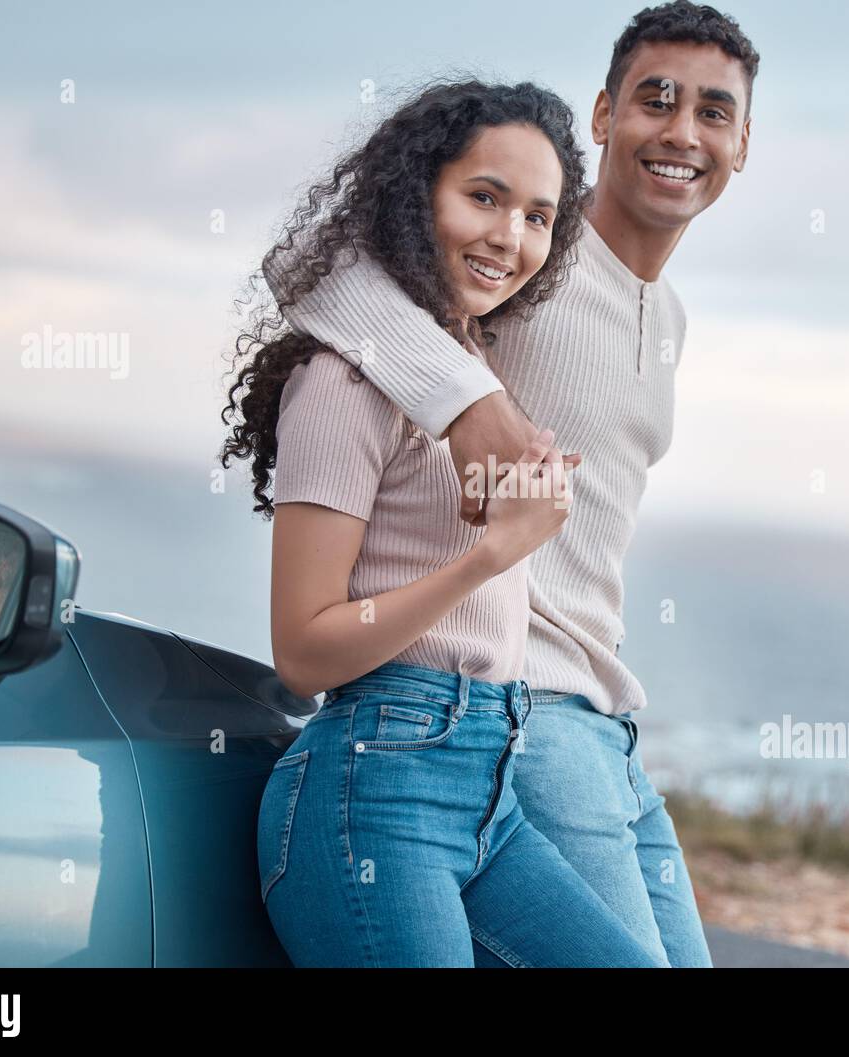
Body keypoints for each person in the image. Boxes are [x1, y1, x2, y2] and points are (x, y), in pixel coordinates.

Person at [262, 1, 760, 968]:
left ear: (744, 144)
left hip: (600, 716)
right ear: (606, 115)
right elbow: (311, 274)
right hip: (511, 711)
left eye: (713, 111)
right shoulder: (525, 272)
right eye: (656, 99)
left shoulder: (664, 315)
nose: (682, 131)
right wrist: (464, 401)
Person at [221, 79, 666, 967]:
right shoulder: (343, 383)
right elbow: (303, 651)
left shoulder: (466, 364)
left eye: (540, 216)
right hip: (374, 790)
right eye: (484, 198)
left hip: (490, 786)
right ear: (415, 192)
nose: (510, 236)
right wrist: (495, 552)